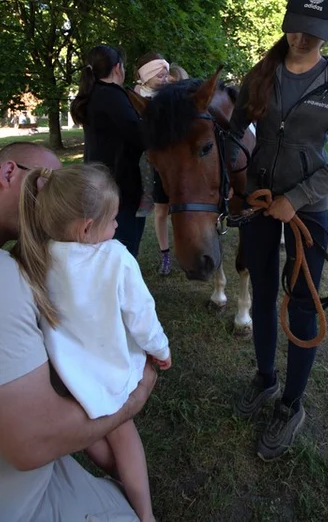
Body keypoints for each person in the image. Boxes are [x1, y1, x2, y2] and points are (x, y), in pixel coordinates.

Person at [228, 0, 328, 460]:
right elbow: (234, 129)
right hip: (259, 204)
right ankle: (265, 379)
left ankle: (292, 403)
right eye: (295, 25)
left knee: (302, 305)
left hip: (308, 211)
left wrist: (299, 196)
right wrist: (231, 173)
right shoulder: (261, 74)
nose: (300, 37)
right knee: (262, 295)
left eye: (312, 29)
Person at [0, 142, 157, 522]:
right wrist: (134, 398)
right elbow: (32, 444)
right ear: (8, 174)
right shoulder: (9, 274)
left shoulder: (28, 261)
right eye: (43, 188)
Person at [71, 44, 146, 258]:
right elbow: (139, 135)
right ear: (117, 68)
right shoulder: (111, 95)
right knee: (122, 248)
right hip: (117, 183)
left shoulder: (93, 93)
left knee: (104, 245)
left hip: (100, 180)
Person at [135, 53, 172, 276]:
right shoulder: (135, 96)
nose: (165, 78)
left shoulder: (170, 96)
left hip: (173, 160)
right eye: (160, 74)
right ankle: (165, 254)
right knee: (160, 210)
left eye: (166, 74)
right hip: (152, 161)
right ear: (146, 76)